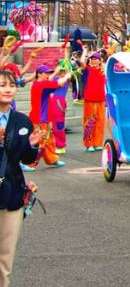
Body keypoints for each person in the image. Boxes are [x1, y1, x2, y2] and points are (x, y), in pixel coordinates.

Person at [0, 68, 43, 287]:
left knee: (6, 254)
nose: (8, 90)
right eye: (2, 86)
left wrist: (32, 145)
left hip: (12, 193)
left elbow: (26, 159)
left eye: (12, 86)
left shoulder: (22, 121)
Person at [27, 66, 67, 169]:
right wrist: (68, 75)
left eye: (49, 73)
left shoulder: (40, 84)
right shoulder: (40, 85)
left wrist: (57, 72)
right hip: (39, 119)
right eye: (46, 73)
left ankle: (52, 159)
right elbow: (59, 82)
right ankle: (29, 163)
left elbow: (53, 82)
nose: (48, 75)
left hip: (43, 118)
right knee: (40, 142)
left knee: (49, 140)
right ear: (39, 74)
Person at [81, 51, 106, 152]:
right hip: (90, 100)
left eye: (95, 59)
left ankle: (97, 143)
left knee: (100, 122)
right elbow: (82, 62)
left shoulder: (103, 71)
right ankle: (89, 143)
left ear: (100, 61)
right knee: (90, 122)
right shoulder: (88, 70)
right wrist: (84, 51)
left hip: (101, 100)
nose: (93, 61)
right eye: (91, 59)